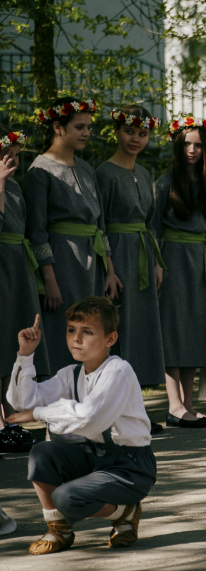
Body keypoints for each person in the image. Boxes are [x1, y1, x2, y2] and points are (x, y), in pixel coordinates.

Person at [5, 299, 156, 555]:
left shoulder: (118, 370)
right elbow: (24, 402)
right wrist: (25, 355)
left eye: (87, 332)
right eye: (71, 330)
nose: (76, 338)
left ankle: (125, 512)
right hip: (94, 456)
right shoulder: (71, 374)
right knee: (42, 452)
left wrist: (39, 414)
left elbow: (91, 417)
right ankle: (59, 530)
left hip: (130, 466)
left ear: (110, 339)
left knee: (67, 497)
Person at [25, 97, 117, 373]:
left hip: (92, 264)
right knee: (65, 329)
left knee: (92, 329)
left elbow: (100, 225)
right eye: (79, 127)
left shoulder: (87, 169)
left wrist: (109, 271)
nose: (87, 132)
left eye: (89, 127)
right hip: (62, 262)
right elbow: (37, 232)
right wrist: (49, 281)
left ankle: (90, 392)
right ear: (58, 127)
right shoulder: (39, 171)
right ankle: (60, 394)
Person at [153, 115, 206, 427]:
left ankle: (189, 405)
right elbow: (152, 227)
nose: (191, 150)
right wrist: (157, 263)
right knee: (176, 329)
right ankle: (174, 405)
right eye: (186, 145)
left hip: (203, 258)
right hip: (175, 258)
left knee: (196, 329)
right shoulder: (165, 182)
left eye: (197, 145)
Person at [96, 107, 166, 398]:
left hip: (143, 254)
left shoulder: (145, 172)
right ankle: (114, 400)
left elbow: (150, 222)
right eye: (129, 131)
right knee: (119, 325)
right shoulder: (105, 173)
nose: (136, 138)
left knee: (141, 326)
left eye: (143, 133)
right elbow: (100, 224)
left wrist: (157, 263)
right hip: (119, 254)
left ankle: (135, 400)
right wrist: (109, 269)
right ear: (116, 131)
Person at [0, 126, 49, 454]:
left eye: (16, 155)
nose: (13, 161)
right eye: (7, 155)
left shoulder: (16, 186)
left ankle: (10, 416)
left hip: (18, 265)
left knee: (10, 341)